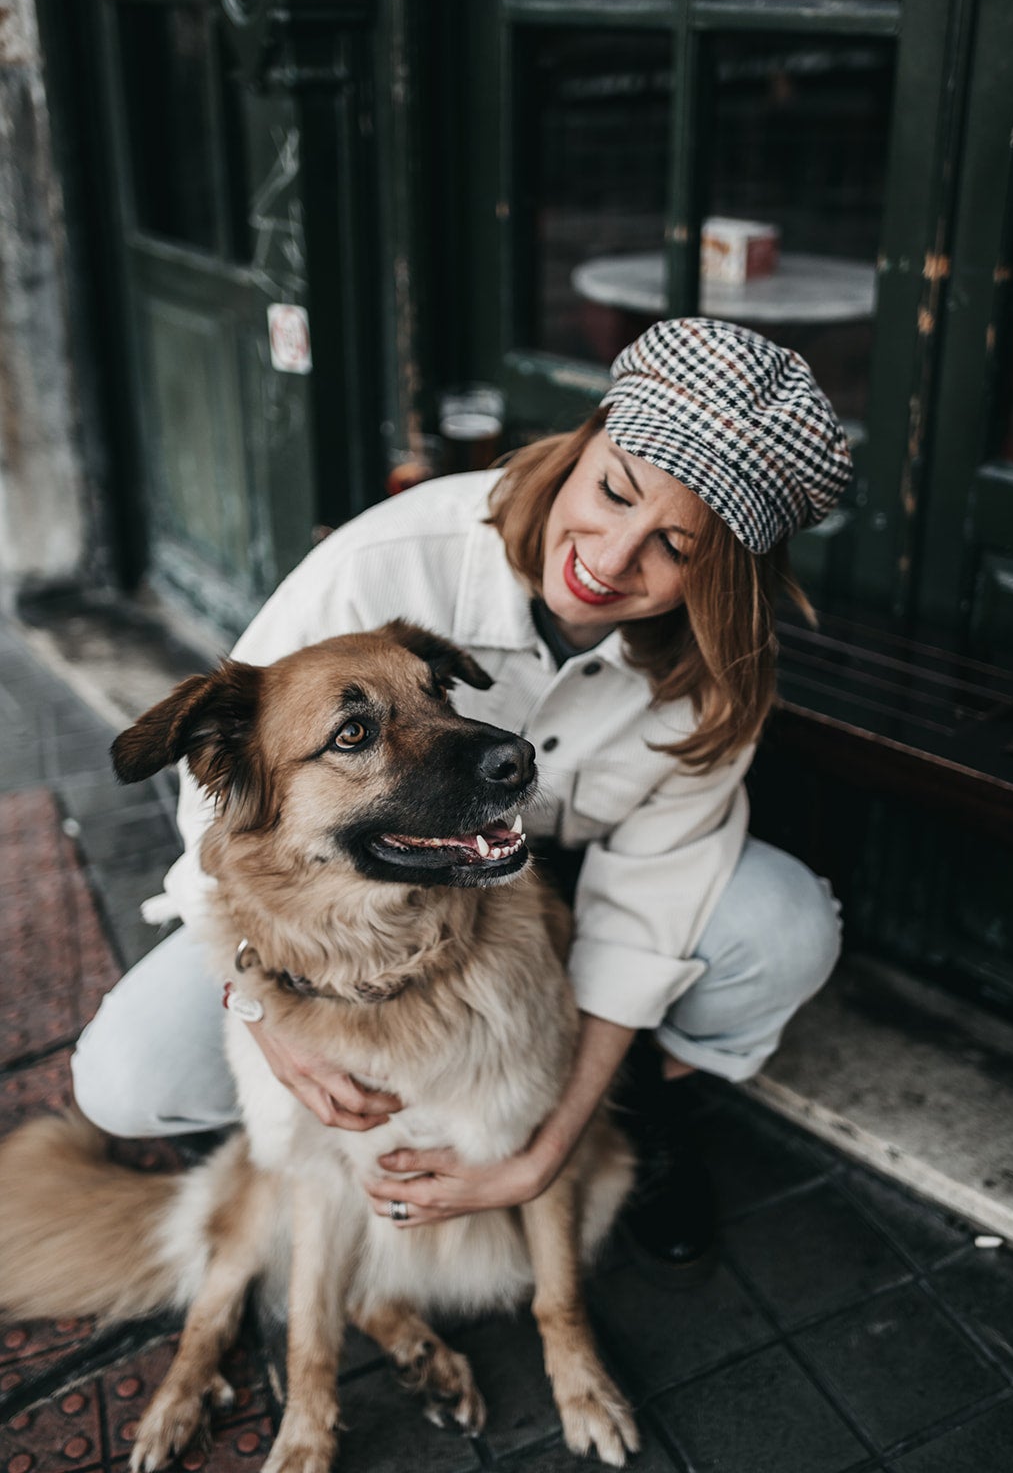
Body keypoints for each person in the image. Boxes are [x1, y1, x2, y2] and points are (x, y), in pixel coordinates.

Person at [72, 317, 851, 1279]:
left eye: (674, 548)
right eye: (611, 491)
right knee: (125, 1082)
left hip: (562, 882)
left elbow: (653, 902)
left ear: (723, 576)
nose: (608, 559)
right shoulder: (387, 561)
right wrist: (261, 1013)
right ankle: (317, 1151)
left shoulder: (712, 672)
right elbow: (229, 811)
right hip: (361, 895)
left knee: (781, 925)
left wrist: (548, 1145)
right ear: (581, 445)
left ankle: (638, 1106)